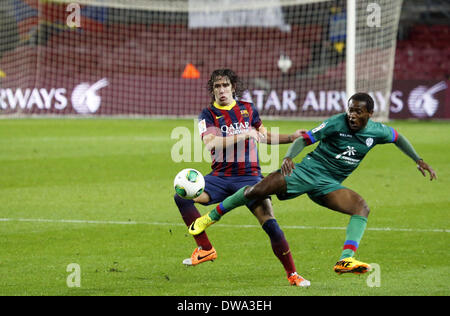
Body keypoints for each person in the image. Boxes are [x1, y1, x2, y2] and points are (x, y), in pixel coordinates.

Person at [189, 92, 437, 275]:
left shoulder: (377, 132)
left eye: (358, 112)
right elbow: (305, 138)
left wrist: (419, 159)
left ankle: (346, 259)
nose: (352, 115)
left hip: (328, 184)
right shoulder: (336, 123)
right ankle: (209, 218)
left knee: (361, 207)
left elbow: (398, 137)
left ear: (369, 114)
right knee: (255, 191)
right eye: (350, 110)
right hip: (304, 172)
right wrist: (288, 157)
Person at [174, 69, 311, 286]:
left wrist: (291, 137)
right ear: (212, 90)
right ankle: (206, 249)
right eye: (217, 86)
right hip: (220, 177)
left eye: (225, 85)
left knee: (271, 224)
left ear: (233, 87)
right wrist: (244, 134)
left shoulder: (248, 109)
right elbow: (211, 142)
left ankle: (292, 274)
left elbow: (264, 135)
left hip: (250, 177)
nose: (221, 90)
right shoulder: (208, 114)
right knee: (181, 196)